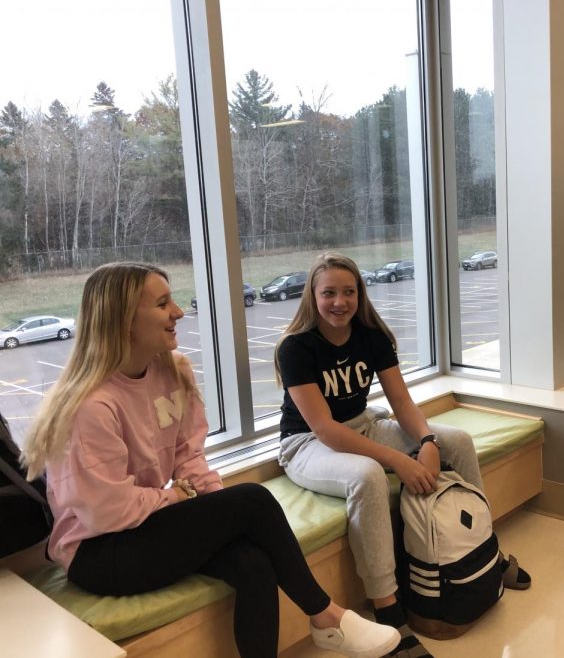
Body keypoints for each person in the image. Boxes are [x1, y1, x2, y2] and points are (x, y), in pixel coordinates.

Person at [21, 262, 400, 658]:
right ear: (124, 319)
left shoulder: (172, 370)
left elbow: (189, 458)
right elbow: (107, 514)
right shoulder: (91, 406)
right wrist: (182, 498)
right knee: (252, 499)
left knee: (254, 564)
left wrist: (214, 509)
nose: (179, 313)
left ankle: (316, 627)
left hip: (145, 525)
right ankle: (326, 616)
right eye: (163, 303)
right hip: (100, 552)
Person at [275, 252, 530, 658]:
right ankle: (387, 608)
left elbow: (402, 403)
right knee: (367, 476)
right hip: (307, 444)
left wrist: (427, 441)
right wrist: (398, 459)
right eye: (329, 293)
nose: (339, 302)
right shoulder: (296, 349)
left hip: (365, 423)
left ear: (360, 294)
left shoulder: (372, 336)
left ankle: (484, 550)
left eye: (348, 292)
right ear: (312, 295)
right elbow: (325, 429)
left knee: (457, 440)